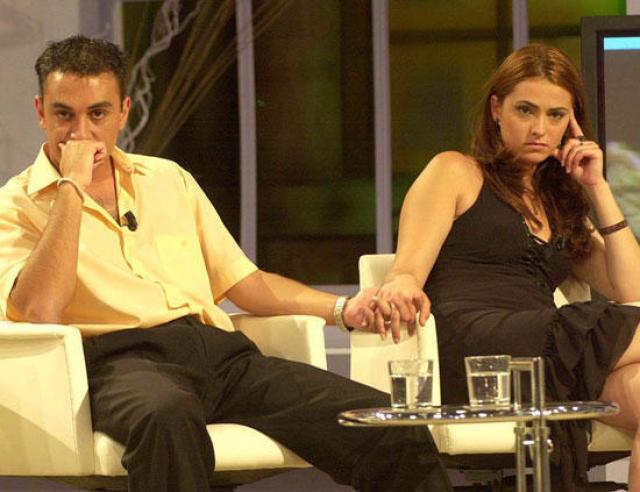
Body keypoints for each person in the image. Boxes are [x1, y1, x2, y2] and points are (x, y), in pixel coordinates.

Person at [0, 35, 453, 492]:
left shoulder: (167, 179)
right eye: (64, 115)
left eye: (97, 114)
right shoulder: (14, 206)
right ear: (41, 112)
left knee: (387, 425)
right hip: (121, 365)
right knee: (167, 417)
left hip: (220, 356)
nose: (80, 133)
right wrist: (71, 189)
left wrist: (342, 309)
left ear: (123, 113)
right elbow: (40, 309)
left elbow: (245, 282)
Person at [372, 43, 640, 491]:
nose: (540, 128)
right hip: (477, 349)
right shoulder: (455, 170)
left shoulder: (561, 204)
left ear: (571, 124)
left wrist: (598, 188)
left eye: (556, 115)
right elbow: (406, 270)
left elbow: (632, 293)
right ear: (496, 110)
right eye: (525, 110)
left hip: (548, 354)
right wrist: (399, 283)